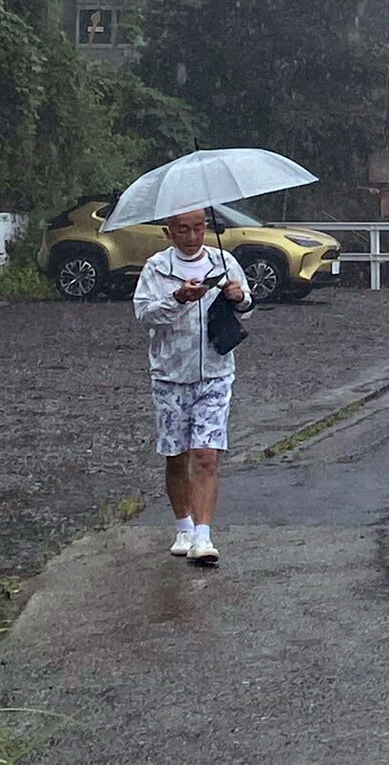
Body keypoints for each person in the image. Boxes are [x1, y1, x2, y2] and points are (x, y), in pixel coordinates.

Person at [133, 208, 252, 567]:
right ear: (169, 232)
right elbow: (143, 314)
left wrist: (238, 296)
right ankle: (183, 526)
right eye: (183, 230)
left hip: (216, 371)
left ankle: (204, 535)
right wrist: (177, 299)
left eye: (199, 227)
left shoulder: (224, 260)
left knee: (207, 452)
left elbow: (247, 308)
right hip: (170, 374)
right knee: (176, 455)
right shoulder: (156, 267)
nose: (192, 236)